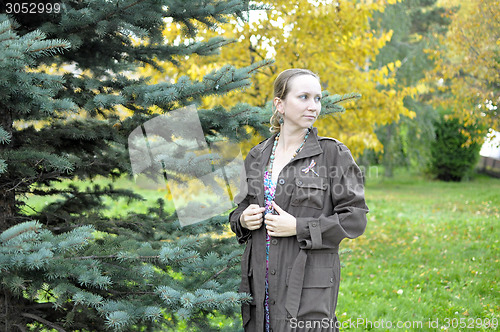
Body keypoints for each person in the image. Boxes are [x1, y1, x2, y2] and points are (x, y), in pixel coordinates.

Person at [229, 68, 369, 332]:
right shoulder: (258, 156)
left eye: (317, 98)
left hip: (307, 284)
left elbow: (355, 218)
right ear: (279, 104)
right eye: (303, 97)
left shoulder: (332, 155)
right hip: (261, 283)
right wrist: (243, 219)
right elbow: (238, 211)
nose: (313, 106)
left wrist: (298, 227)